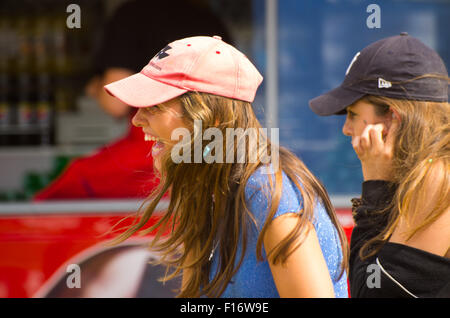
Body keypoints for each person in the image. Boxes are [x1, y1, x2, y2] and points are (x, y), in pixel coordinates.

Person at [104, 36, 349, 297]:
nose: (138, 119)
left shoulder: (268, 195)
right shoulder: (205, 191)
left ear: (213, 118)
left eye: (155, 106)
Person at [34, 0, 230, 200]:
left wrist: (96, 86)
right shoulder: (209, 18)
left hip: (144, 149)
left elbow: (115, 103)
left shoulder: (133, 14)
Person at [309, 33, 450, 297]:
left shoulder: (436, 176)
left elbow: (372, 291)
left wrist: (376, 183)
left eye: (352, 114)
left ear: (392, 119)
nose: (346, 128)